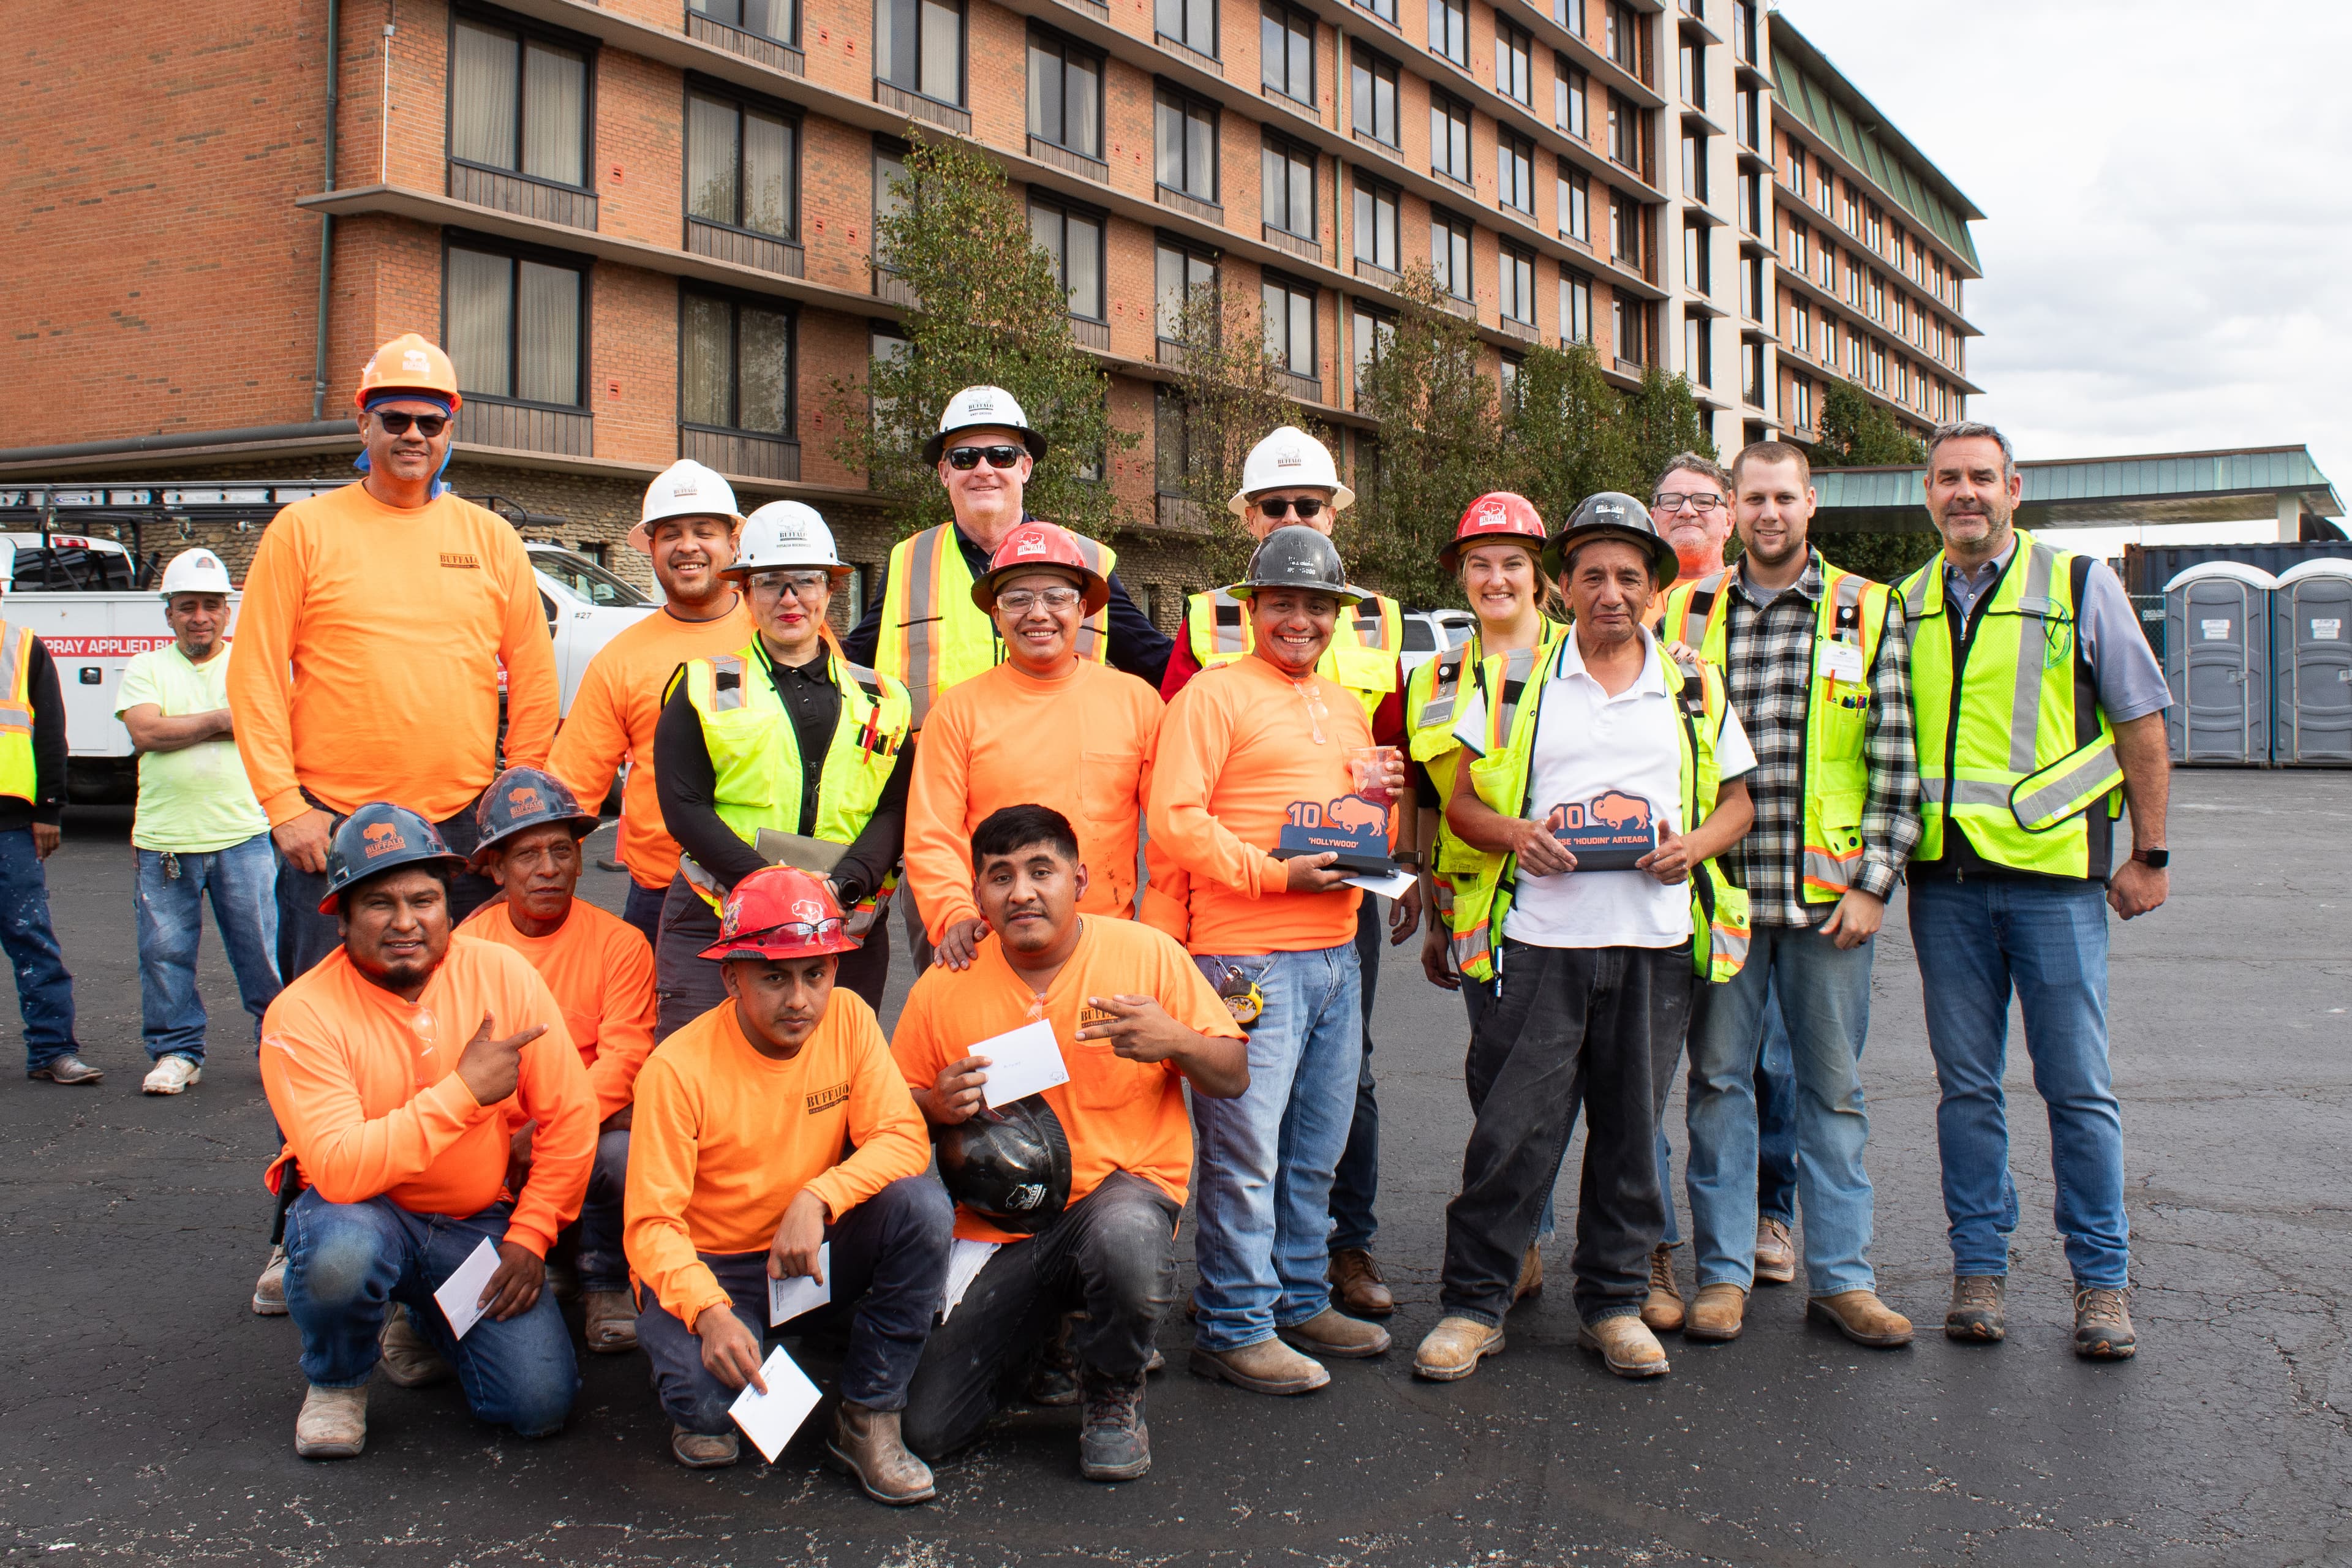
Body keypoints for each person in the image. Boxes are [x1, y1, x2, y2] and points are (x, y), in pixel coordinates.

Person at [1415, 494, 1754, 1384]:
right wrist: (1518, 833)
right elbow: (1459, 806)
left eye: (1629, 578)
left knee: (1630, 1137)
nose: (1611, 592)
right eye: (1592, 575)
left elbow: (1739, 804)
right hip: (1539, 944)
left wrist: (1695, 846)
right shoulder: (1511, 681)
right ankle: (1472, 1306)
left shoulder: (1691, 684)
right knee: (1512, 1135)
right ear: (1562, 587)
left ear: (1652, 592)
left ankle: (1611, 1303)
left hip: (1653, 946)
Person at [1898, 421, 2171, 1360]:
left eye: (1981, 477)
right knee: (1966, 1090)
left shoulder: (2080, 586)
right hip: (1945, 886)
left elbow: (2139, 722)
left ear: (2014, 488)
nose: (1964, 492)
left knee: (2078, 1090)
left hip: (2056, 885)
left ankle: (2102, 1284)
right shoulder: (1903, 604)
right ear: (1927, 494)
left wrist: (2151, 853)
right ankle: (1980, 1271)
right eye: (1947, 479)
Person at [896, 805, 1248, 1480]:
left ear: (1080, 878)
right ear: (978, 896)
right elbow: (889, 1109)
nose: (1021, 891)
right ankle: (1050, 1336)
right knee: (929, 1428)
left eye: (1040, 870)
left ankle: (1113, 1388)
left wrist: (1174, 1039)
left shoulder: (1146, 955)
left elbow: (1232, 1075)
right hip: (1001, 1228)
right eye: (1000, 876)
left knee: (1125, 1240)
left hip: (1117, 1199)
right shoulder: (945, 986)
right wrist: (934, 1105)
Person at [1660, 442, 1920, 1348]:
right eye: (1754, 497)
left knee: (1833, 1094)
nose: (1769, 512)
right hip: (1724, 894)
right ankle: (1723, 1276)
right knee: (1719, 1087)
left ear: (1811, 504)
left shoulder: (1867, 609)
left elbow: (1897, 760)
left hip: (1828, 906)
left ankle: (1844, 1280)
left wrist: (1876, 885)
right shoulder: (1686, 610)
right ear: (1733, 508)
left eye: (1785, 496)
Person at [1159, 426, 1415, 1323]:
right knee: (1245, 1149)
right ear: (1252, 605)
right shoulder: (1211, 694)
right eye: (1281, 603)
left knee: (1314, 1146)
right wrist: (1272, 876)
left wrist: (1384, 801)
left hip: (1337, 955)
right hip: (1247, 959)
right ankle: (1236, 1319)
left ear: (1337, 613)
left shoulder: (1346, 706)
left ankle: (1303, 1298)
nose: (1298, 620)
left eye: (1316, 605)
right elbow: (1175, 821)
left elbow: (1351, 819)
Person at [260, 803, 594, 1460]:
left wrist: (532, 1235)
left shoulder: (502, 973)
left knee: (537, 1405)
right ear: (342, 916)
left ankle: (423, 1316)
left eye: (424, 899)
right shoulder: (301, 1014)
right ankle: (337, 1379)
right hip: (362, 1216)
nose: (407, 921)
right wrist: (465, 1092)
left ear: (449, 905)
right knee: (342, 1250)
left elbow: (571, 1115)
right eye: (380, 903)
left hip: (473, 1223)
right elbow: (341, 1170)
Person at [228, 333, 561, 979]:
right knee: (323, 1016)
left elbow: (534, 674)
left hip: (460, 829)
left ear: (449, 428)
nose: (414, 435)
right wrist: (284, 808)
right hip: (328, 827)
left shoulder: (490, 538)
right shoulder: (303, 531)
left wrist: (516, 795)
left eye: (430, 422)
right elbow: (256, 675)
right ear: (364, 422)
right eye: (395, 419)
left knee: (462, 1013)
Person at [625, 867, 951, 1497]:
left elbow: (904, 1137)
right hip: (716, 1267)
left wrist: (818, 1196)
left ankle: (868, 1414)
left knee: (921, 1207)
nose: (799, 999)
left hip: (805, 1249)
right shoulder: (676, 1070)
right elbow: (651, 1228)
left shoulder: (850, 1019)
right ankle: (709, 1342)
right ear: (731, 977)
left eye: (816, 973)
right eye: (773, 976)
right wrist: (710, 1312)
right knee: (707, 1410)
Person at [840, 385, 1172, 968]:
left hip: (1077, 846)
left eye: (999, 455)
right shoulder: (908, 562)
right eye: (965, 458)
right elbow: (844, 673)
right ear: (944, 472)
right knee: (964, 1005)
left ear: (1026, 466)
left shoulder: (1084, 564)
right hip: (944, 832)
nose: (984, 470)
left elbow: (1160, 663)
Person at [652, 503, 913, 1035]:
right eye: (771, 582)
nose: (789, 598)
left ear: (832, 588)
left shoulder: (884, 697)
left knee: (835, 1077)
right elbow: (684, 807)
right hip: (718, 914)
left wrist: (843, 886)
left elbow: (896, 806)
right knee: (703, 1074)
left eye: (805, 581)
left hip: (846, 919)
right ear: (745, 591)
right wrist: (770, 887)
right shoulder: (707, 685)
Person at [1646, 450, 1803, 1314]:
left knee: (1770, 1064)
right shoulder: (1654, 605)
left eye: (1706, 503)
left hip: (1772, 863)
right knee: (1685, 1072)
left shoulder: (1762, 597)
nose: (1689, 517)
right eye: (1671, 504)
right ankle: (1664, 1241)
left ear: (1731, 514)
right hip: (1680, 871)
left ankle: (1770, 1217)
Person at [1409, 494, 1566, 1303]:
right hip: (1480, 910)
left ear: (1540, 575)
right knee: (1499, 1076)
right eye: (1479, 563)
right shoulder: (1435, 675)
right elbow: (1434, 805)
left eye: (1511, 562)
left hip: (1584, 903)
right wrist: (1434, 920)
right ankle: (1524, 1239)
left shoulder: (1588, 657)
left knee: (1606, 1084)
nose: (1494, 577)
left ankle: (1643, 1247)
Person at [458, 766, 655, 1355]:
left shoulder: (620, 944)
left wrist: (547, 1131)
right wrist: (507, 1140)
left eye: (562, 852)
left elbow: (624, 1059)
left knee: (623, 1149)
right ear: (495, 867)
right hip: (493, 1143)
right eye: (527, 855)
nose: (548, 869)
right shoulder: (469, 945)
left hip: (573, 1136)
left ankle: (605, 1280)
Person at [904, 522, 1164, 970]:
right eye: (1018, 599)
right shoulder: (957, 712)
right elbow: (933, 836)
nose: (1038, 613)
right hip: (991, 949)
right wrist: (954, 916)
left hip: (1108, 946)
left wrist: (1162, 932)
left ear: (1082, 608)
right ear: (995, 614)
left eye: (1057, 597)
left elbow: (1169, 835)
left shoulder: (1137, 703)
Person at [550, 461, 755, 951]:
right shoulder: (621, 659)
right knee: (655, 1027)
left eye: (704, 531)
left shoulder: (781, 631)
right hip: (662, 893)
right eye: (671, 535)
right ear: (652, 551)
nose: (687, 546)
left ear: (734, 543)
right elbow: (571, 787)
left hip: (770, 882)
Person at [114, 548, 282, 1096]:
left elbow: (266, 728)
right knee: (165, 954)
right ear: (169, 614)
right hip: (165, 839)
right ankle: (177, 1052)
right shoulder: (146, 667)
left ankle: (278, 1046)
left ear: (227, 612)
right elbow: (146, 733)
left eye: (211, 605)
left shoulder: (249, 664)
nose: (200, 617)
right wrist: (221, 720)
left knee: (263, 952)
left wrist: (183, 725)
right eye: (187, 606)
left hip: (244, 834)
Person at [0, 571, 86, 1085]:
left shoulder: (22, 647)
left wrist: (49, 809)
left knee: (31, 938)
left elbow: (51, 730)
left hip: (10, 824)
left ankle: (52, 1050)